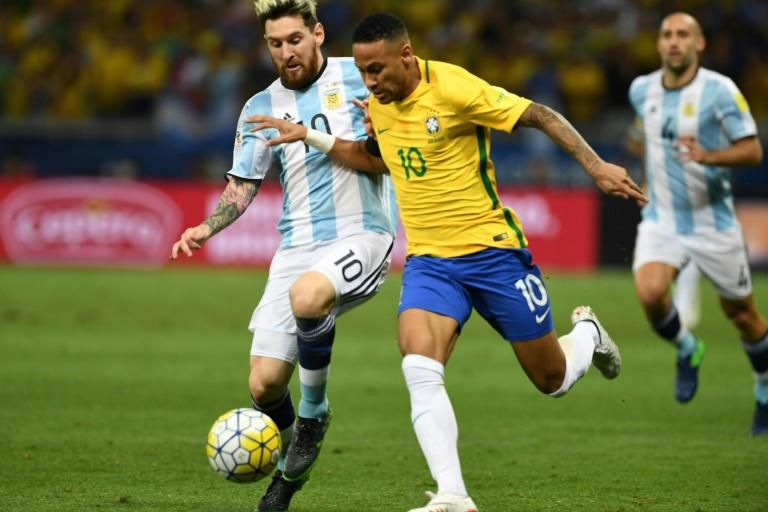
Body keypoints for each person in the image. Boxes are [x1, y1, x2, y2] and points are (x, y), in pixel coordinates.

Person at [249, 12, 648, 512]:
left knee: (552, 380)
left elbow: (540, 114)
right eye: (364, 72)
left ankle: (587, 333)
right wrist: (311, 136)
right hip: (430, 264)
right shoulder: (381, 102)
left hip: (494, 254)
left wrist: (596, 166)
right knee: (419, 365)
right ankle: (453, 496)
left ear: (406, 56)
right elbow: (378, 158)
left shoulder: (455, 88)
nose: (369, 82)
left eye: (377, 70)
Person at [170, 1, 397, 510]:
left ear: (317, 34)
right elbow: (242, 186)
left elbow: (395, 144)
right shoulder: (258, 108)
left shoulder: (360, 77)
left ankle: (313, 415)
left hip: (363, 233)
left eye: (295, 39)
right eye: (276, 44)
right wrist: (207, 226)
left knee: (309, 296)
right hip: (296, 245)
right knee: (264, 382)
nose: (286, 52)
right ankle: (294, 467)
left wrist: (381, 124)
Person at [628, 12, 767, 435]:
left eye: (683, 34)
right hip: (662, 219)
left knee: (741, 315)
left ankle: (764, 388)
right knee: (650, 294)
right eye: (667, 34)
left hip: (714, 223)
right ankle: (688, 348)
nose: (674, 41)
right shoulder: (641, 90)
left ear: (699, 44)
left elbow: (753, 151)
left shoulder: (720, 91)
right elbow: (650, 140)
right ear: (658, 44)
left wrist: (709, 155)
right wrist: (648, 184)